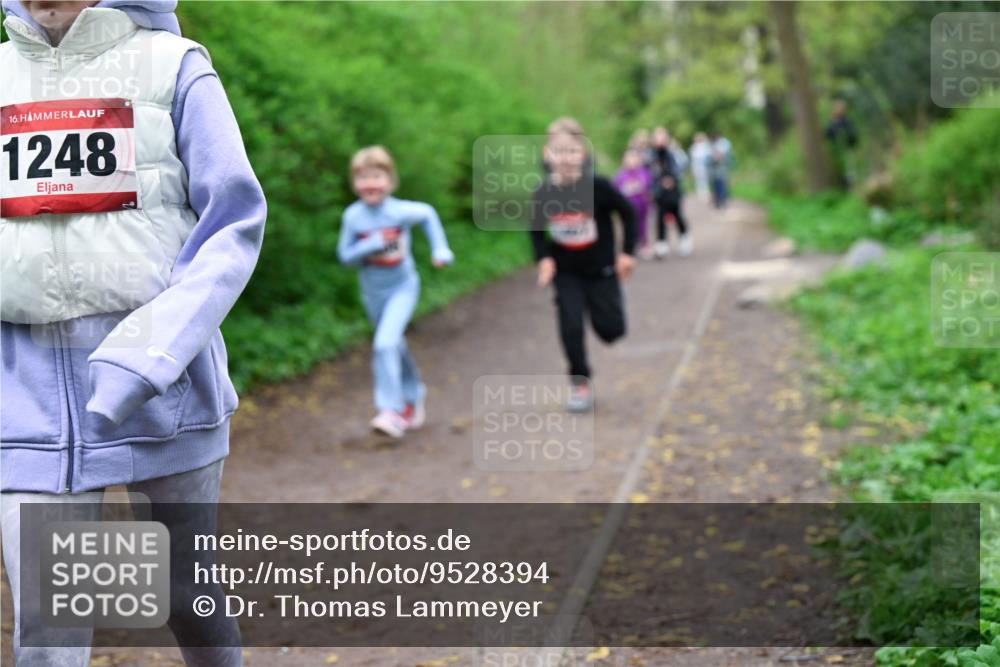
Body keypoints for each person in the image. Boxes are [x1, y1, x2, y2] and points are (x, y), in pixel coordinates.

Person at [0, 1, 266, 665]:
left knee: (186, 594)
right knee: (48, 627)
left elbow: (234, 222)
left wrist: (155, 350)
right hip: (26, 403)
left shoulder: (175, 67)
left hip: (169, 390)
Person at [338, 146, 454, 439]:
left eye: (377, 176)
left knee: (384, 344)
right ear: (354, 184)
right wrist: (369, 245)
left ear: (390, 181)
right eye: (363, 178)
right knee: (392, 344)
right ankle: (414, 395)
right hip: (372, 293)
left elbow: (427, 214)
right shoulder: (353, 217)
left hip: (402, 288)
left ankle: (390, 410)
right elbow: (345, 257)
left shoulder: (399, 210)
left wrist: (440, 248)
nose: (370, 183)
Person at [531, 117, 637, 413]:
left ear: (583, 155)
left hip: (602, 271)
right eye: (558, 151)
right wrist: (544, 259)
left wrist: (627, 252)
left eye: (572, 151)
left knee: (611, 330)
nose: (565, 158)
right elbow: (536, 230)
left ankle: (605, 316)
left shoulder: (598, 187)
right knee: (570, 325)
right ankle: (580, 383)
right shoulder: (544, 193)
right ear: (547, 155)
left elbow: (627, 213)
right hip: (567, 273)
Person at [650, 126, 692, 258]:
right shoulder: (651, 155)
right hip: (659, 192)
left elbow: (680, 168)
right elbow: (649, 172)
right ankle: (661, 244)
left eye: (662, 137)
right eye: (658, 137)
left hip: (673, 192)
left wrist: (671, 179)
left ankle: (684, 239)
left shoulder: (674, 153)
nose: (660, 140)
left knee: (677, 214)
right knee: (660, 216)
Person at [613, 148, 653, 258]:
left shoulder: (643, 172)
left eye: (634, 158)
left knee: (642, 226)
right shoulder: (621, 174)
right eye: (629, 158)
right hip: (627, 207)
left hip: (642, 205)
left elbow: (647, 184)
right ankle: (630, 246)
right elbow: (616, 188)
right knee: (628, 227)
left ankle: (644, 244)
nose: (631, 160)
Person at [824, 99, 858, 189]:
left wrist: (848, 142)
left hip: (846, 151)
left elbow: (853, 136)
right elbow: (827, 135)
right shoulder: (832, 123)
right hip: (836, 153)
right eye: (837, 108)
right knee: (839, 173)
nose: (839, 110)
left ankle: (850, 189)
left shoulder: (847, 122)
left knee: (849, 174)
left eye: (841, 108)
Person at [708, 131, 733, 209]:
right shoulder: (715, 143)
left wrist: (716, 156)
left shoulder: (724, 143)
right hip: (715, 167)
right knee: (716, 184)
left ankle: (722, 200)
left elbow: (721, 155)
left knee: (721, 183)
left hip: (721, 166)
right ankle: (718, 200)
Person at [689, 132, 712, 202]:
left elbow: (708, 157)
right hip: (697, 166)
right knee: (698, 180)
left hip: (704, 167)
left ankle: (705, 194)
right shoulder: (694, 147)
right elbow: (693, 159)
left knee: (704, 180)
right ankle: (700, 194)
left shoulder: (705, 146)